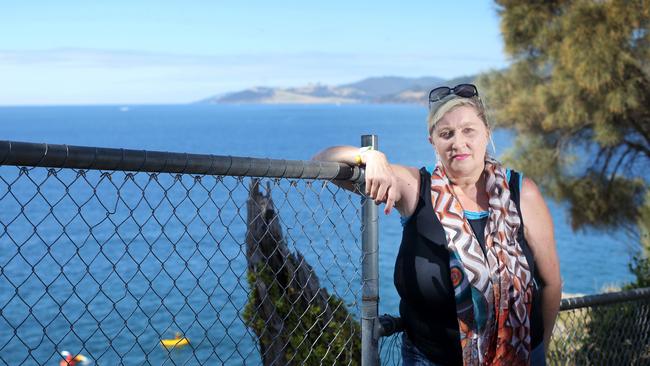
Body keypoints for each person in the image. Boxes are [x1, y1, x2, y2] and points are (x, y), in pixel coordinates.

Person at [313, 84, 561, 365]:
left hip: (523, 355)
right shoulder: (416, 187)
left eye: (469, 130)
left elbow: (551, 283)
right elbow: (322, 161)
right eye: (446, 134)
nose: (458, 142)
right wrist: (370, 156)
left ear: (486, 133)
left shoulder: (521, 193)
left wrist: (542, 347)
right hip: (430, 358)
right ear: (432, 141)